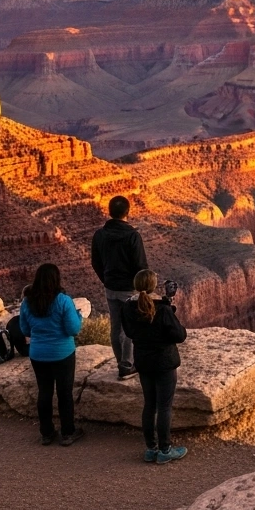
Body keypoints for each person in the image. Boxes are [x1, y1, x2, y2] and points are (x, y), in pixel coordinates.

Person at [120, 270, 188, 464]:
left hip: (143, 362)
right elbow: (179, 336)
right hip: (164, 363)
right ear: (153, 285)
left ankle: (151, 449)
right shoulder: (163, 310)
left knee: (149, 405)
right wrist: (170, 310)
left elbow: (130, 330)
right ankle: (165, 450)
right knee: (164, 407)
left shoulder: (128, 307)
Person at [18, 263, 85, 446]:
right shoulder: (63, 301)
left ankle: (46, 433)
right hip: (62, 353)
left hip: (38, 354)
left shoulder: (27, 302)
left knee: (44, 392)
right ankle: (68, 432)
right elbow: (73, 329)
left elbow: (25, 329)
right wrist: (79, 317)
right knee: (64, 393)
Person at [92, 195, 148, 381]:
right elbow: (141, 266)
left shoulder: (100, 235)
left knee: (116, 326)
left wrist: (106, 279)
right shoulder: (132, 236)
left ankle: (121, 362)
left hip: (111, 288)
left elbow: (96, 262)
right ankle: (127, 365)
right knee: (130, 327)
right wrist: (143, 289)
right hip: (129, 289)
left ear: (109, 212)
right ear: (127, 212)